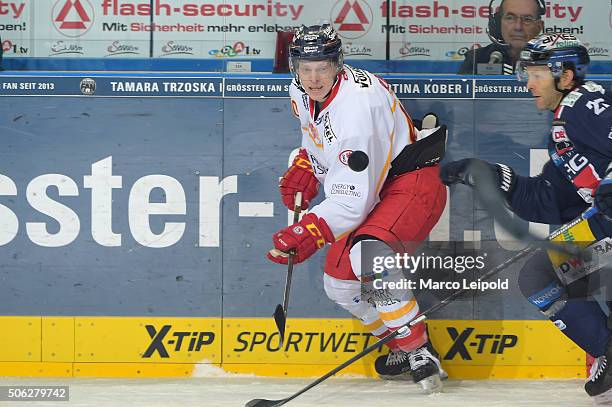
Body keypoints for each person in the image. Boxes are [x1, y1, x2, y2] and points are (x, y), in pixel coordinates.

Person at [267, 24, 448, 393]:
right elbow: (314, 134)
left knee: (369, 254)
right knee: (338, 284)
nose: (314, 77)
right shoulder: (301, 91)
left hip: (411, 186)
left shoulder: (357, 112)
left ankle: (418, 348)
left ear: (338, 65)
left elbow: (352, 204)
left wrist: (309, 230)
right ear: (295, 67)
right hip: (378, 187)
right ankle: (397, 341)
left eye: (323, 67)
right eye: (306, 67)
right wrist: (308, 164)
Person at [442, 33, 612, 403]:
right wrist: (493, 177)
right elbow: (550, 200)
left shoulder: (587, 104)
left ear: (565, 77)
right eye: (526, 73)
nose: (528, 84)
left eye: (537, 74)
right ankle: (608, 352)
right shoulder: (563, 125)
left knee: (541, 275)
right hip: (604, 230)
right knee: (539, 275)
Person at [458, 0, 544, 75]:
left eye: (527, 19)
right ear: (498, 23)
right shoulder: (476, 58)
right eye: (510, 18)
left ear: (539, 26)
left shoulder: (550, 60)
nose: (518, 27)